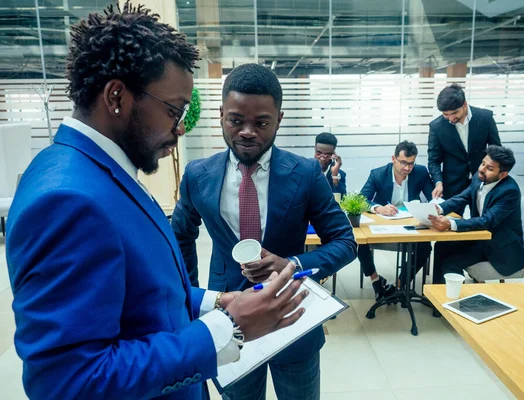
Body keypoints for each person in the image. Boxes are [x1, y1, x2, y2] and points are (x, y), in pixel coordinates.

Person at [5, 4, 309, 399]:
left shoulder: (97, 168)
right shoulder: (67, 199)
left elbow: (144, 288)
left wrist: (215, 302)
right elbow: (67, 382)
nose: (180, 127)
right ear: (117, 96)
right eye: (173, 110)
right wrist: (227, 327)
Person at [171, 63, 357, 400]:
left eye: (261, 122)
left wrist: (292, 264)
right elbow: (181, 236)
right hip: (228, 317)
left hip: (293, 313)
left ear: (279, 119)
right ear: (221, 114)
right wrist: (191, 301)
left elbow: (345, 242)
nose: (247, 132)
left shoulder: (306, 174)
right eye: (236, 120)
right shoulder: (198, 174)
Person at [428, 145, 524, 289]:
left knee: (451, 262)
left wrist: (451, 224)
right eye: (483, 163)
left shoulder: (509, 191)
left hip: (498, 244)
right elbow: (464, 196)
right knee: (441, 245)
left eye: (490, 168)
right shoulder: (479, 177)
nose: (482, 169)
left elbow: (487, 220)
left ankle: (454, 304)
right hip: (480, 236)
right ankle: (437, 299)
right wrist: (440, 208)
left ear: (503, 174)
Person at [358, 141, 434, 300]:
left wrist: (432, 207)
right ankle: (376, 280)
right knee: (360, 242)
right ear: (394, 159)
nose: (407, 168)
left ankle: (398, 286)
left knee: (425, 248)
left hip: (409, 224)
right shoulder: (378, 174)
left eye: (411, 164)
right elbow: (361, 199)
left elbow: (433, 197)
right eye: (403, 163)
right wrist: (378, 208)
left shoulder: (420, 173)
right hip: (383, 224)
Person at [428, 84, 501, 204]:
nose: (451, 118)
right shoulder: (437, 126)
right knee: (451, 220)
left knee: (480, 219)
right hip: (452, 183)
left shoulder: (485, 118)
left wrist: (494, 175)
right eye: (446, 114)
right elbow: (433, 161)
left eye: (454, 113)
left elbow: (496, 150)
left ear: (465, 105)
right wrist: (438, 182)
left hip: (483, 179)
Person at [314, 132, 346, 197]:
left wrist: (335, 176)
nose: (322, 158)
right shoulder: (305, 169)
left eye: (327, 155)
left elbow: (342, 200)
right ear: (315, 149)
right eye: (319, 153)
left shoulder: (339, 174)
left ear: (333, 154)